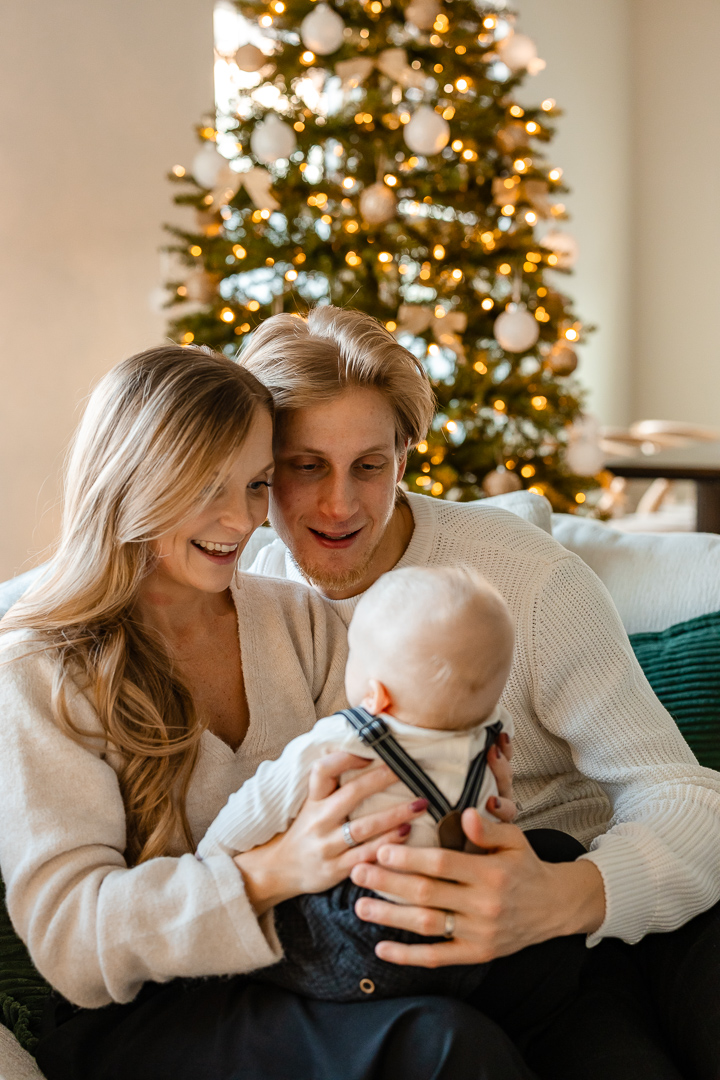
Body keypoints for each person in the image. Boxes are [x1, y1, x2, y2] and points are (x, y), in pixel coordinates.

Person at [0, 345, 533, 1080]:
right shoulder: (40, 668)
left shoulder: (298, 620)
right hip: (151, 1013)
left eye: (256, 483)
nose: (242, 519)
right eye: (206, 486)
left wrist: (462, 811)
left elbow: (379, 772)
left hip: (313, 959)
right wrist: (270, 870)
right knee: (441, 1043)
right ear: (131, 480)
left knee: (552, 939)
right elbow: (72, 942)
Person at [239, 304, 720, 1080]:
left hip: (578, 929)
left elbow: (685, 795)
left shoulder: (523, 578)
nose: (339, 505)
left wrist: (567, 896)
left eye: (369, 465)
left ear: (404, 457)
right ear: (261, 470)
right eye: (305, 466)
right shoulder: (239, 603)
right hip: (398, 977)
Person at [198, 564, 587, 1025]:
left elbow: (254, 808)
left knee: (253, 952)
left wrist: (211, 861)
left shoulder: (342, 741)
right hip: (464, 950)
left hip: (366, 949)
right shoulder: (492, 734)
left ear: (376, 695)